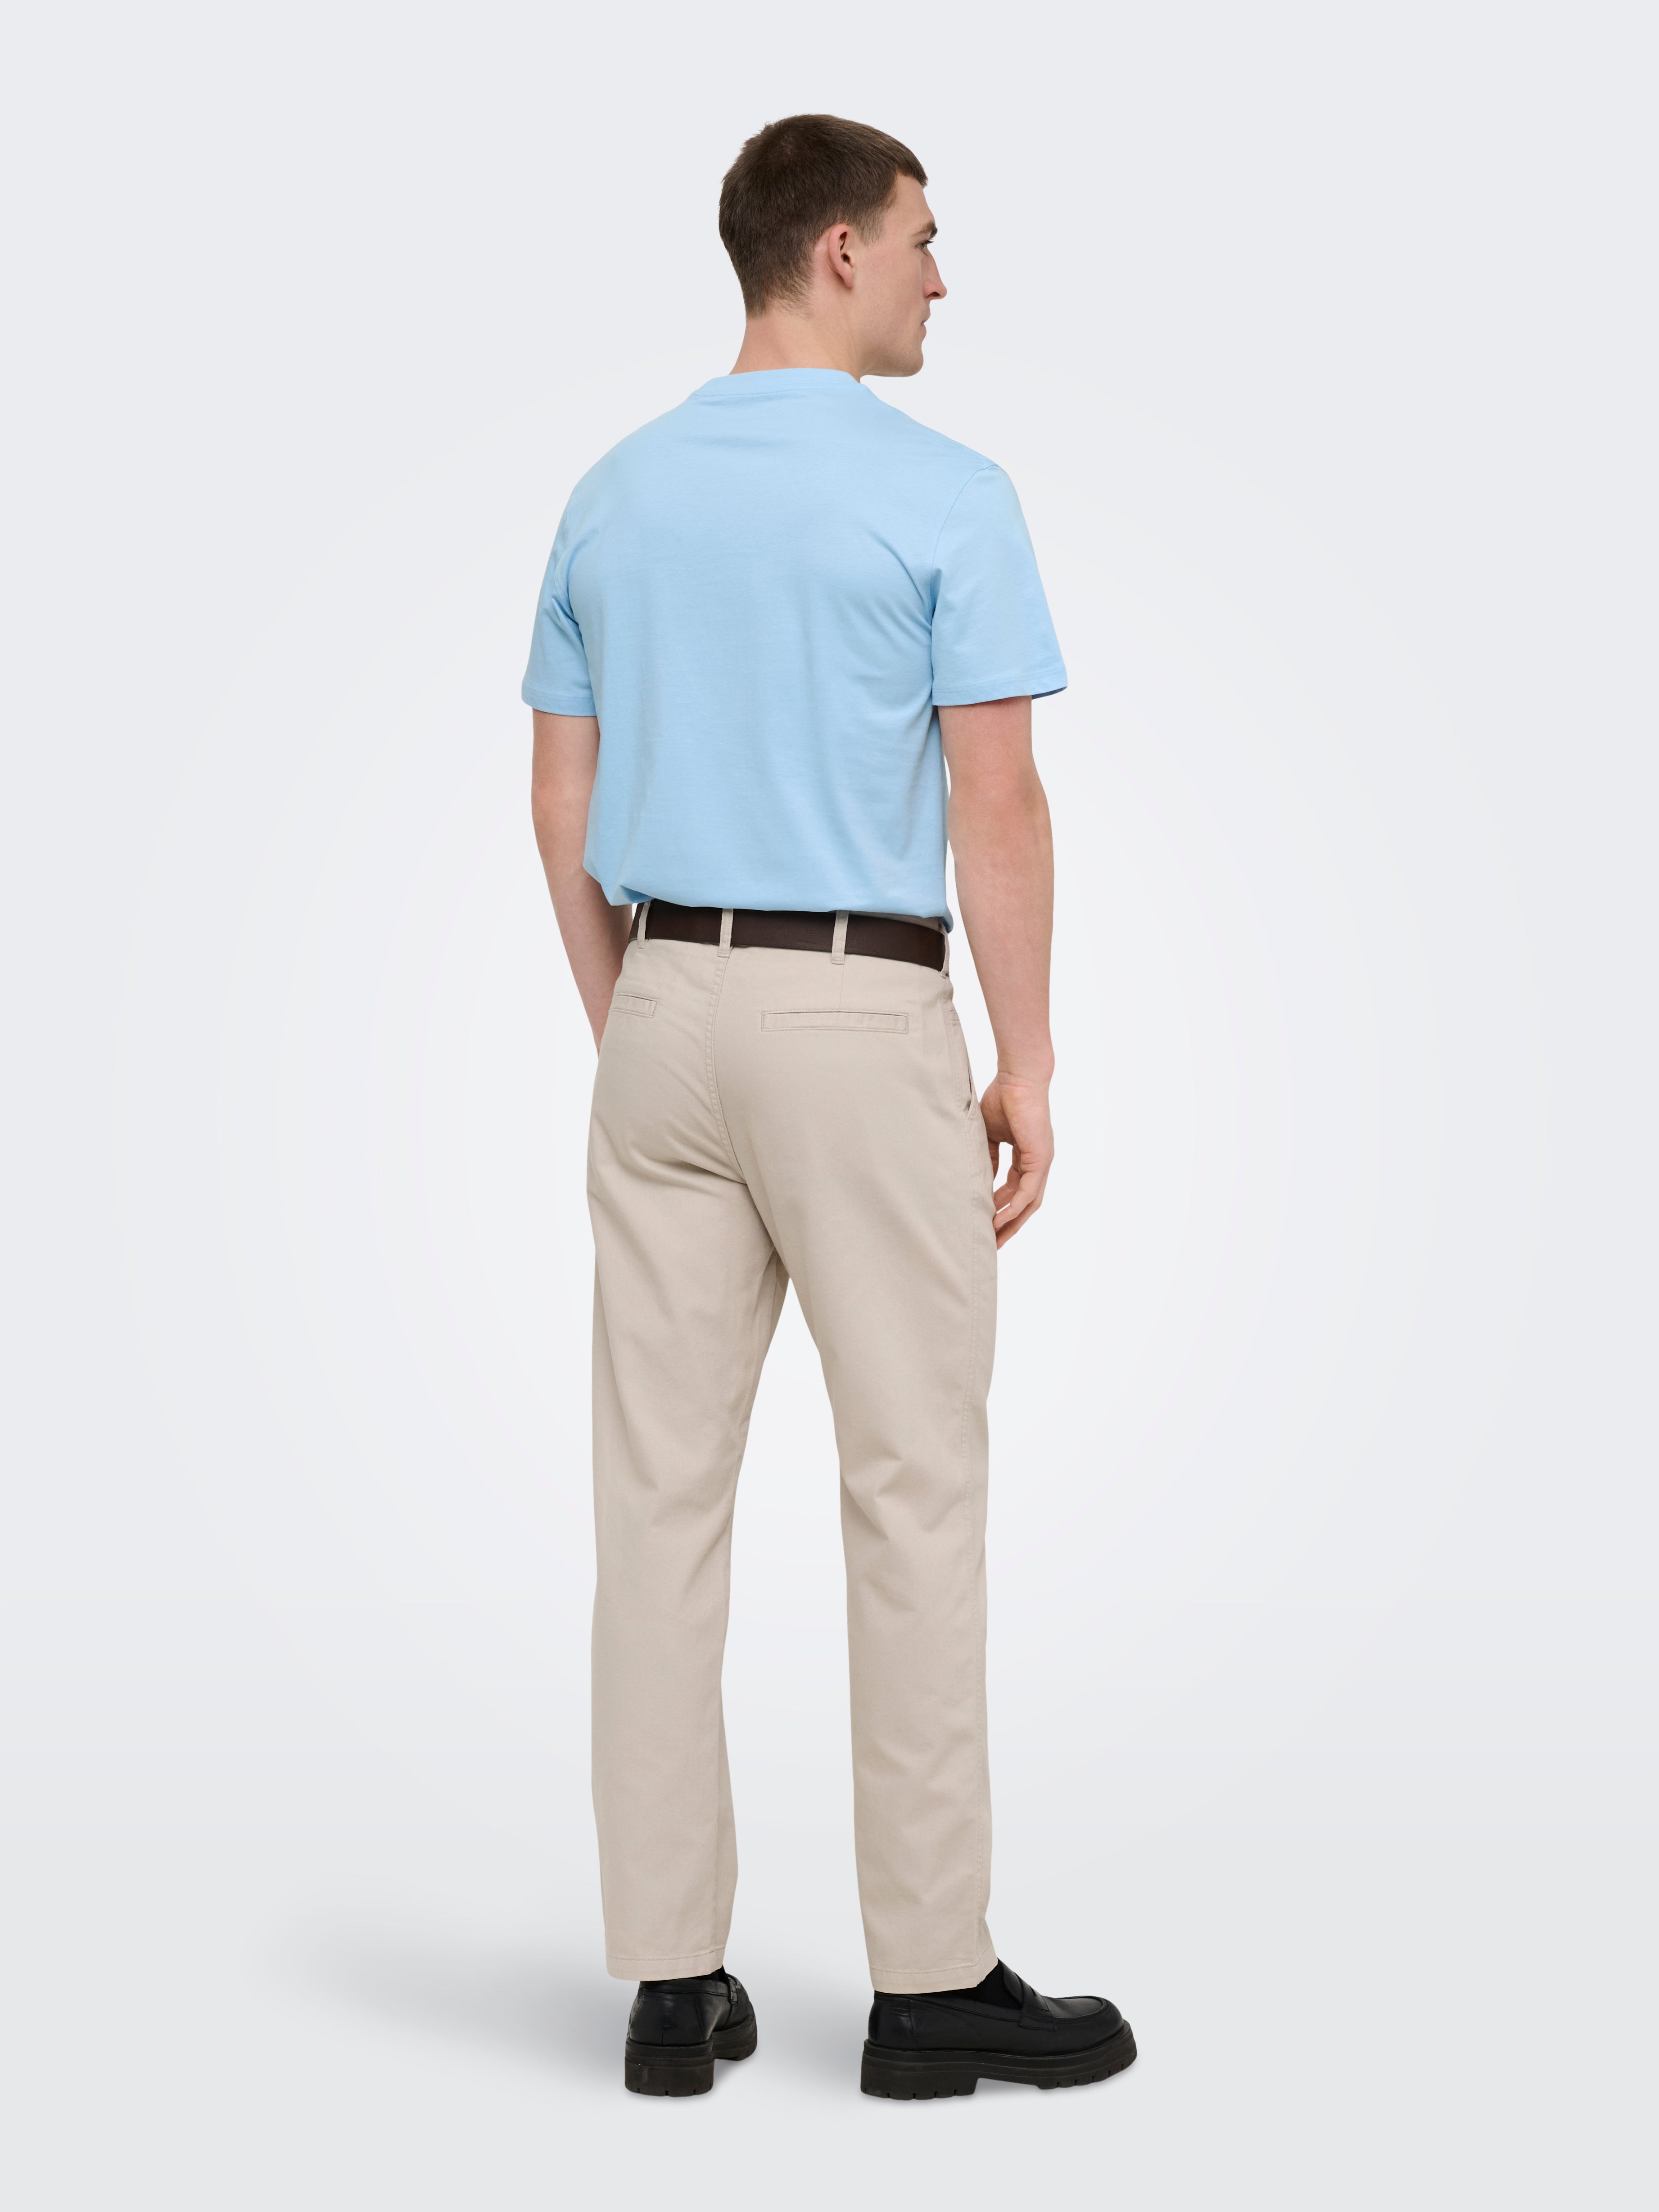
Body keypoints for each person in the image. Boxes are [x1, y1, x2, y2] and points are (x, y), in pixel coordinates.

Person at [524, 113, 1134, 2102]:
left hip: (664, 1003)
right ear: (841, 251)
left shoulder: (612, 493)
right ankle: (930, 1986)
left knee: (655, 1505)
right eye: (927, 239)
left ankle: (666, 1981)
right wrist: (1025, 1059)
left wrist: (636, 1017)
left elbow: (557, 799)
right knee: (913, 1487)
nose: (946, 277)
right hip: (860, 1009)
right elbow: (997, 801)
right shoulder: (945, 492)